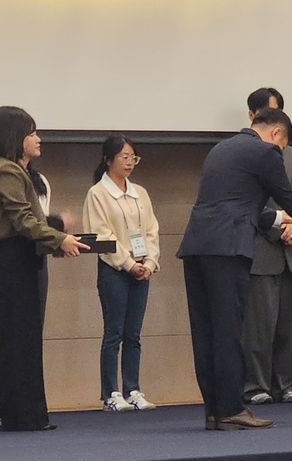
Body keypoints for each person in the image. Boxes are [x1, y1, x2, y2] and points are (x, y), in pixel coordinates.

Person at [177, 108, 292, 430]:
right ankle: (232, 409)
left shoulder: (221, 149)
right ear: (276, 133)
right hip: (229, 248)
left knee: (205, 332)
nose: (281, 152)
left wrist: (284, 218)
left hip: (197, 245)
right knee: (228, 330)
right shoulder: (265, 152)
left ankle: (214, 411)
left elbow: (242, 204)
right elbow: (287, 196)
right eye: (283, 145)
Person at [0, 106, 88, 431]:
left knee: (20, 338)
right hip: (12, 262)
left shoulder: (8, 171)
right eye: (32, 133)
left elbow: (27, 220)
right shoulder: (6, 171)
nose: (38, 139)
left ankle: (21, 413)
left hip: (15, 259)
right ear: (15, 137)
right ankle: (22, 415)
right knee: (20, 340)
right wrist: (61, 238)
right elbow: (23, 220)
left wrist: (56, 235)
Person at [242, 88, 292, 405]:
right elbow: (247, 202)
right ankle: (255, 386)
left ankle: (285, 383)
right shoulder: (245, 153)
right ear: (253, 116)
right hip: (261, 249)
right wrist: (276, 227)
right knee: (259, 325)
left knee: (289, 324)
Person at [83, 135, 160, 412]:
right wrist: (128, 264)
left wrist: (149, 262)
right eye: (124, 157)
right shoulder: (98, 194)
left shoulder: (140, 193)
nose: (129, 163)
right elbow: (102, 235)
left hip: (141, 269)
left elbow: (151, 230)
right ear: (108, 160)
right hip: (114, 270)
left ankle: (133, 389)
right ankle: (111, 394)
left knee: (134, 334)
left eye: (133, 158)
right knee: (113, 332)